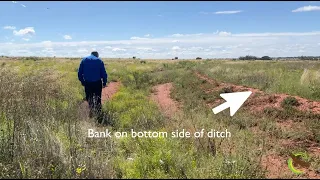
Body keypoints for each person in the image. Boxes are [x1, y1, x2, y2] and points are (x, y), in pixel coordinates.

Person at [78, 51, 108, 118]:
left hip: (87, 83)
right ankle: (99, 114)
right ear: (97, 55)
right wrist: (104, 82)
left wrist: (82, 81)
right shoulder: (99, 60)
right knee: (98, 98)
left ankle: (91, 112)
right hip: (97, 83)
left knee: (89, 98)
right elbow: (104, 73)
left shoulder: (84, 60)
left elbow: (79, 72)